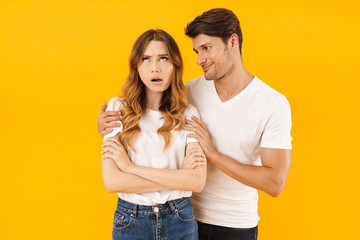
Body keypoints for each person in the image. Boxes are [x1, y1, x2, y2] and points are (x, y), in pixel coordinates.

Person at [98, 8, 292, 240]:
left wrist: (213, 154)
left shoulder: (272, 103)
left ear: (232, 42)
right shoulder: (188, 92)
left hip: (234, 223)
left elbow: (274, 183)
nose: (200, 60)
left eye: (206, 48)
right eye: (196, 51)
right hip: (186, 215)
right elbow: (149, 112)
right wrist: (109, 125)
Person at [100, 29, 206, 240]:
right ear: (136, 66)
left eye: (163, 58)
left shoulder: (188, 114)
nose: (155, 68)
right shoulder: (118, 109)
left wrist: (131, 168)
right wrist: (179, 178)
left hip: (180, 220)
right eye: (146, 59)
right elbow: (112, 182)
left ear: (175, 65)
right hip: (131, 220)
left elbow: (197, 182)